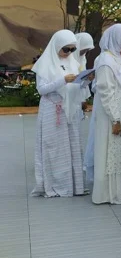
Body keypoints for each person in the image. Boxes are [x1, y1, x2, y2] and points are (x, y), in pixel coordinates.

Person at [31, 30, 84, 197]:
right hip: (52, 109)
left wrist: (85, 81)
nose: (69, 53)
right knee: (54, 148)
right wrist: (63, 80)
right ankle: (56, 185)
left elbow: (76, 84)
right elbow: (41, 89)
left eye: (72, 49)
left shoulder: (72, 62)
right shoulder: (45, 63)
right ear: (57, 46)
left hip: (69, 109)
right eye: (66, 49)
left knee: (72, 146)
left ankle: (73, 185)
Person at [92, 24, 121, 205]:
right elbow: (106, 92)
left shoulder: (120, 59)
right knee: (111, 148)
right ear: (118, 39)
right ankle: (109, 194)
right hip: (111, 113)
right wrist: (115, 119)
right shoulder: (105, 61)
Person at [74, 32, 96, 186]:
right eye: (83, 50)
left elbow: (81, 81)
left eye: (87, 50)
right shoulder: (70, 58)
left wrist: (84, 97)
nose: (85, 53)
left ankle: (76, 160)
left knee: (76, 131)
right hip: (67, 99)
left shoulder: (82, 58)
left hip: (77, 97)